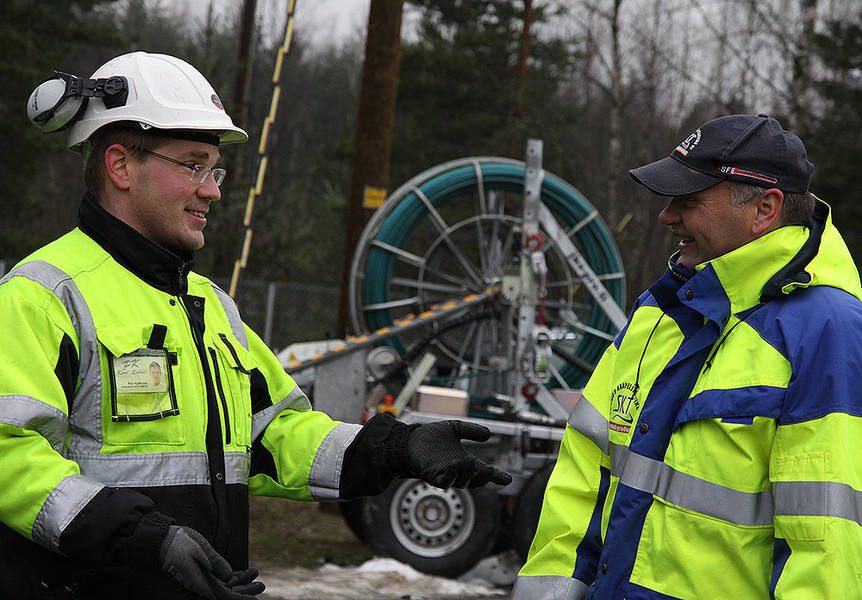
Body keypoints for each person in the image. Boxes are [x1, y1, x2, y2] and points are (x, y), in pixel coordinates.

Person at [2, 51, 511, 600]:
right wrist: (142, 538)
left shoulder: (212, 306)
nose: (213, 190)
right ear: (121, 165)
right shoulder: (44, 295)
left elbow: (274, 435)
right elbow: (9, 453)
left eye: (214, 169)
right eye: (191, 165)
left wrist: (393, 450)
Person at [513, 114, 862, 599]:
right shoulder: (660, 309)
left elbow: (828, 545)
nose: (666, 215)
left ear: (765, 208)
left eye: (690, 200)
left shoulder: (827, 331)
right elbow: (584, 477)